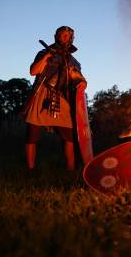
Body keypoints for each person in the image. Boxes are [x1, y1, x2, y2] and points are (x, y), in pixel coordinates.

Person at [22, 26, 86, 170]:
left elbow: (77, 78)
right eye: (63, 35)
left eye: (68, 36)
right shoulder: (44, 52)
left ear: (71, 39)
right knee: (32, 134)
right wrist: (46, 57)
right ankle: (30, 170)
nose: (65, 37)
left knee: (69, 135)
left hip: (61, 96)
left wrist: (82, 82)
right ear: (57, 36)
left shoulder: (73, 61)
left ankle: (70, 169)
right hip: (42, 93)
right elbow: (33, 71)